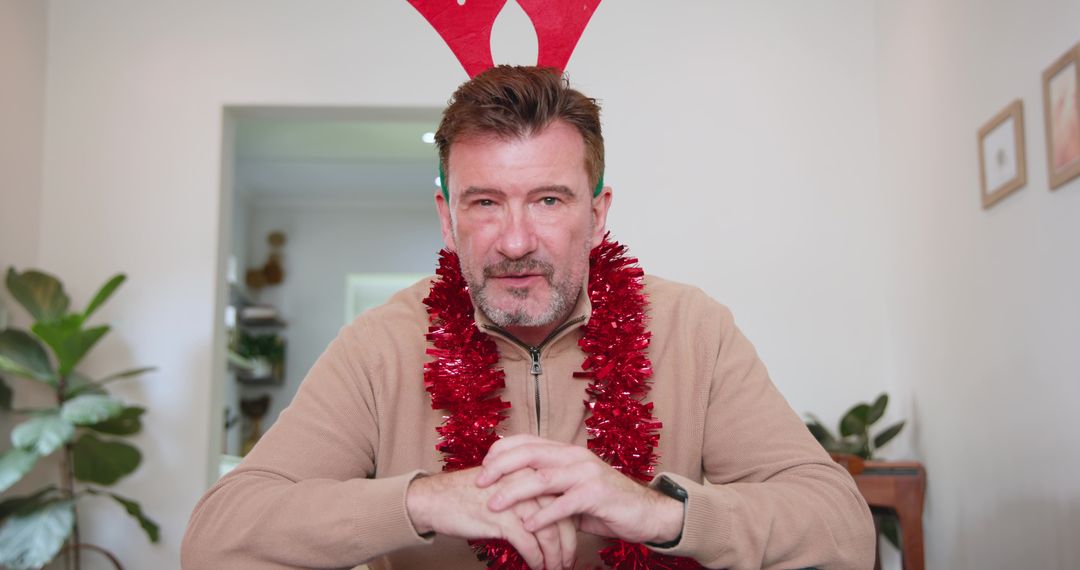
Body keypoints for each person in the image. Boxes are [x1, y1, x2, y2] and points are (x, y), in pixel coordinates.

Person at [182, 66, 875, 570]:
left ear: (598, 215)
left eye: (548, 200)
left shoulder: (694, 329)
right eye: (484, 203)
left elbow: (842, 528)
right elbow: (217, 538)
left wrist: (660, 513)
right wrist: (422, 502)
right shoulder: (379, 346)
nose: (515, 242)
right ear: (447, 219)